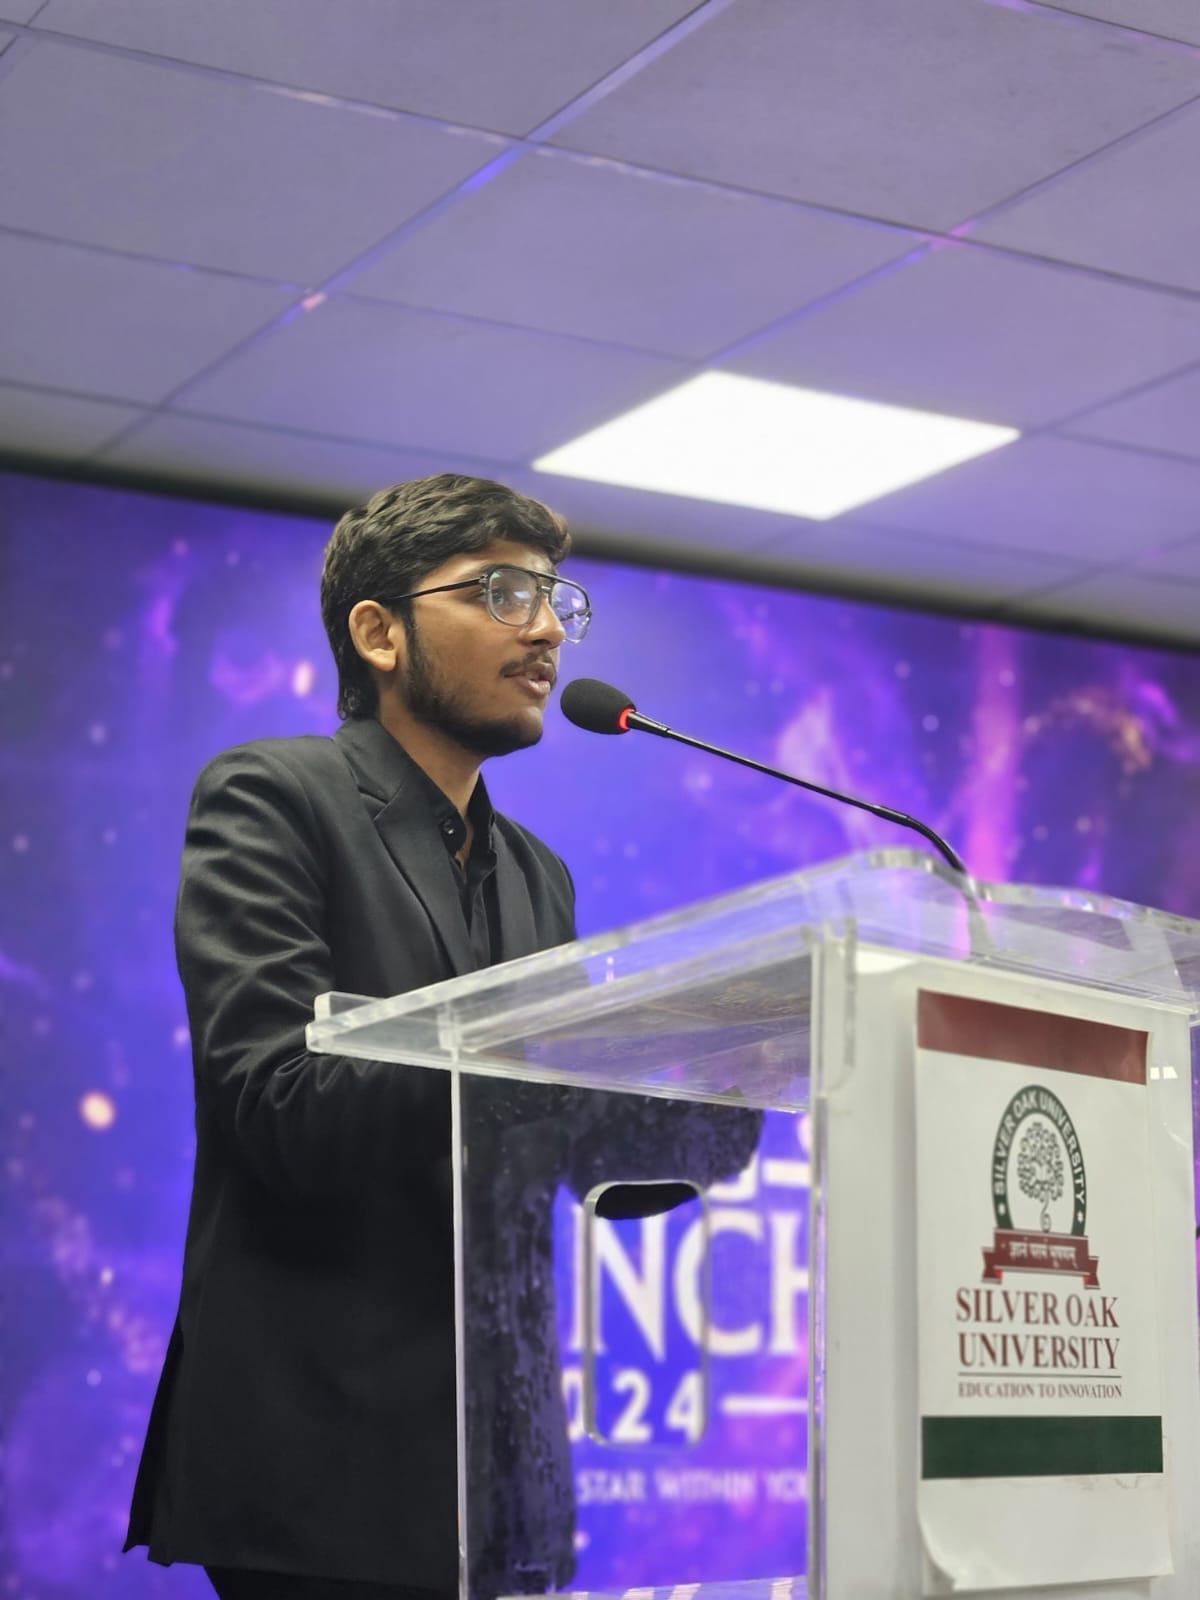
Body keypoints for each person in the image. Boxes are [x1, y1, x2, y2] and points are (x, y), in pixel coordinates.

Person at [124, 474, 758, 1600]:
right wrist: (538, 1053)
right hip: (322, 1467)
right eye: (505, 592)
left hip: (498, 1481)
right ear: (378, 631)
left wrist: (722, 1088)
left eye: (556, 596)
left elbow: (556, 1151)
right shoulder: (274, 798)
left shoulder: (537, 874)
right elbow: (278, 1107)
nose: (549, 626)